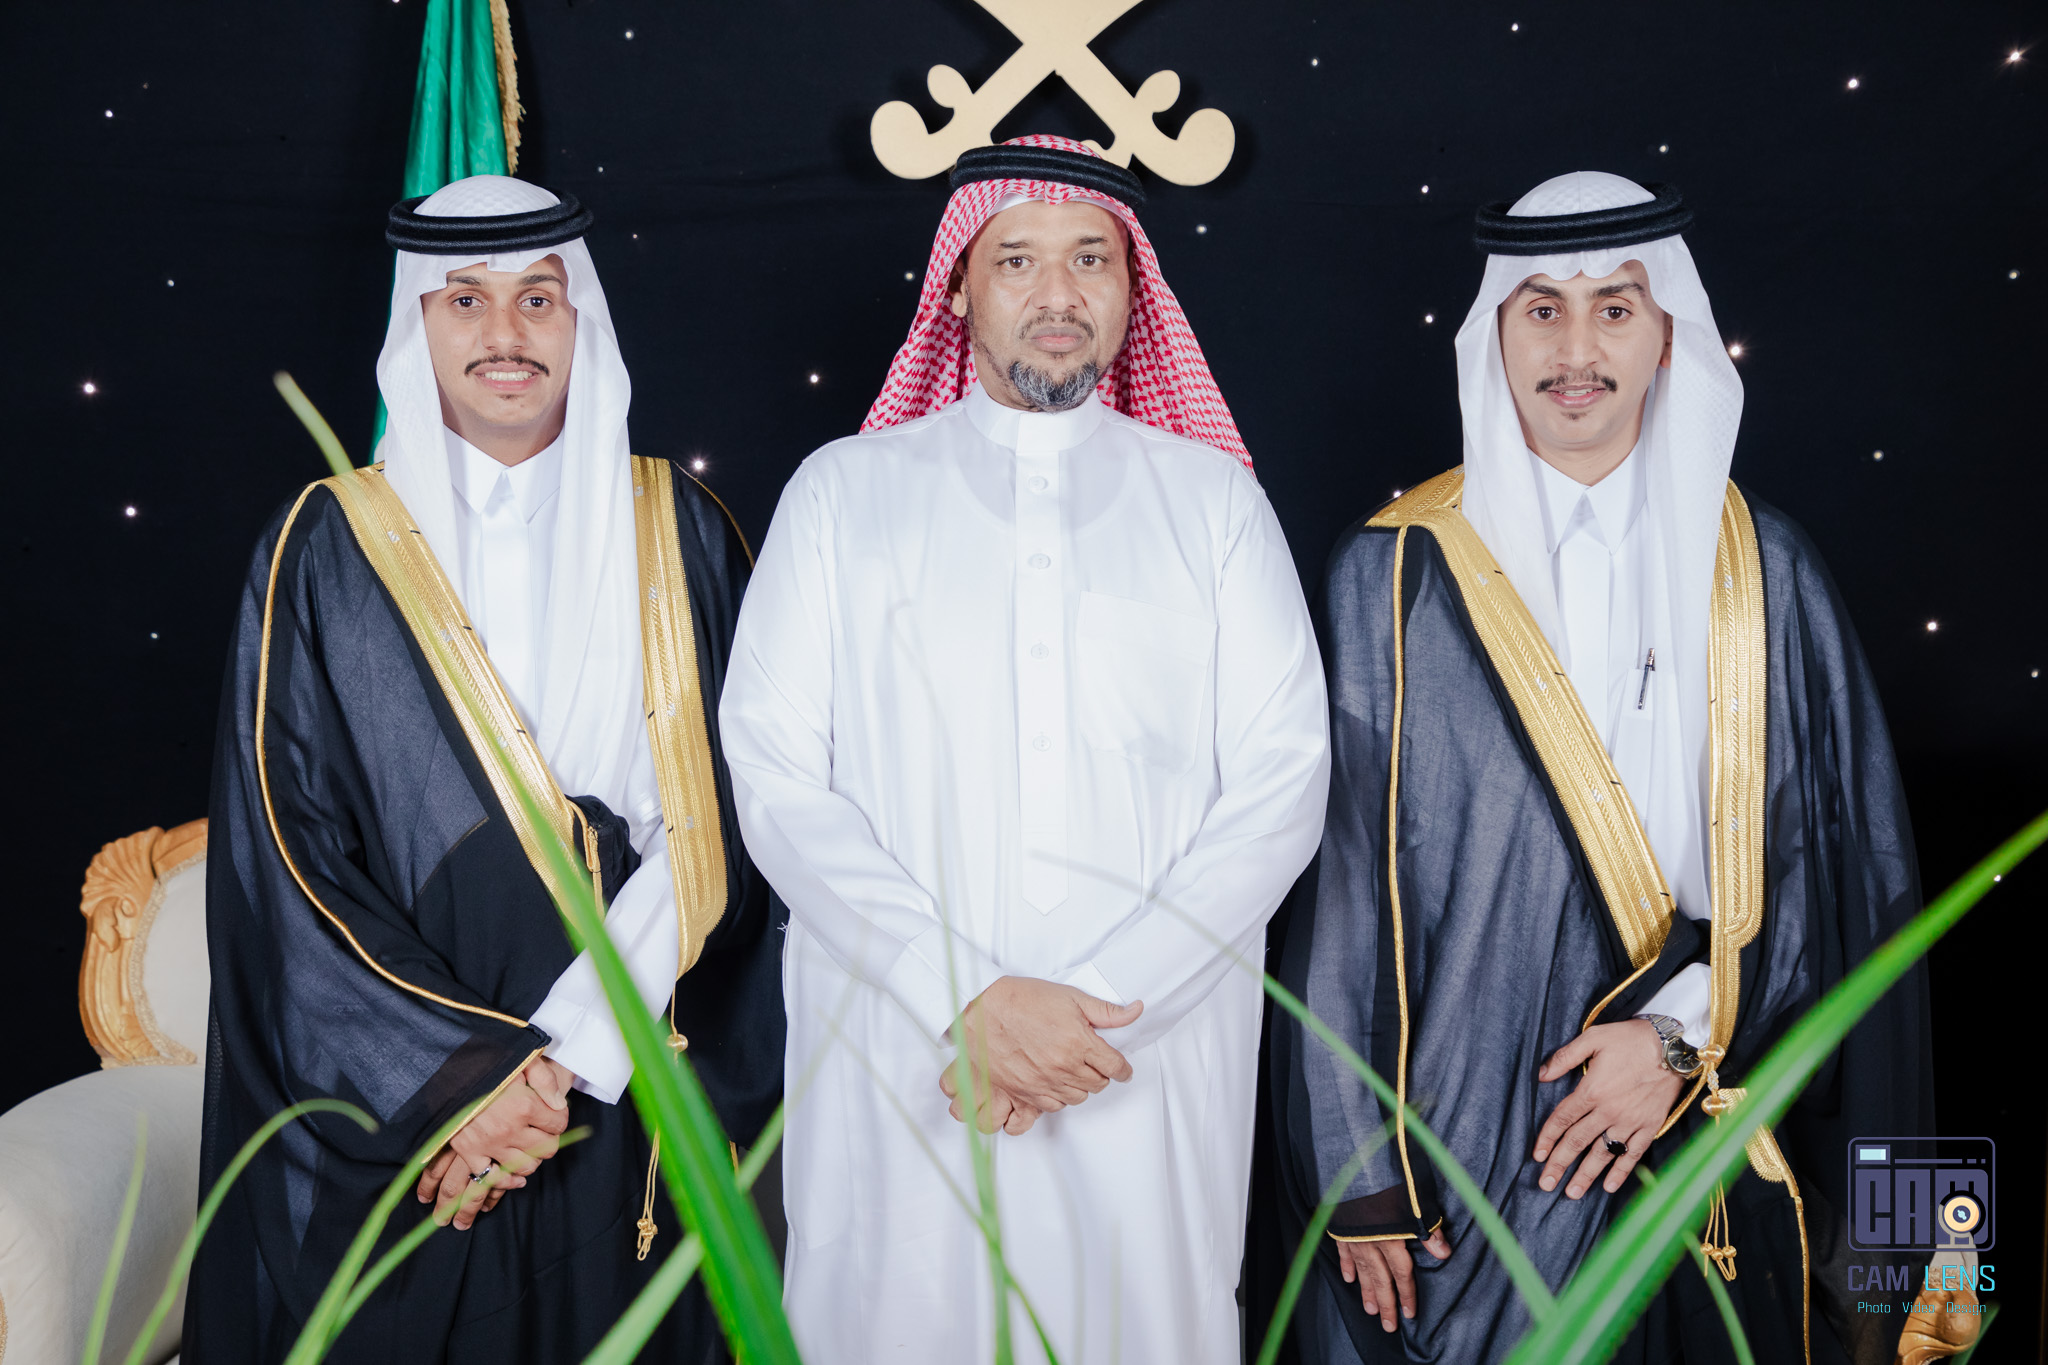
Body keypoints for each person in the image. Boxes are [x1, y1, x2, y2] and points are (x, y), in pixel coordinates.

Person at [1262, 172, 1934, 1364]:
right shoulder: (1391, 572)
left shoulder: (1764, 571)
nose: (1575, 351)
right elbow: (1338, 899)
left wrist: (1676, 1039)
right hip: (1454, 1159)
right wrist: (1357, 1175)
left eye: (1614, 308)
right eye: (1540, 309)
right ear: (1494, 334)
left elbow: (1840, 882)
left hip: (1701, 1128)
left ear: (1667, 332)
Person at [718, 135, 1330, 1364]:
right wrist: (965, 996)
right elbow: (777, 778)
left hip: (1141, 1060)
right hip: (906, 1051)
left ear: (1131, 289)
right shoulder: (840, 494)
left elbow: (1281, 787)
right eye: (1016, 260)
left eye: (1090, 260)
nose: (1057, 295)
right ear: (956, 286)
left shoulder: (1213, 503)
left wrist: (1093, 1013)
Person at [187, 175, 782, 1362]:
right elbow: (287, 856)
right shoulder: (325, 544)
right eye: (464, 299)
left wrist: (567, 1060)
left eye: (537, 298)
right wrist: (467, 1079)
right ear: (418, 324)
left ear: (581, 320)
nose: (505, 332)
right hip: (416, 1113)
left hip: (632, 1075)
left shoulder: (683, 528)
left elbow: (727, 821)